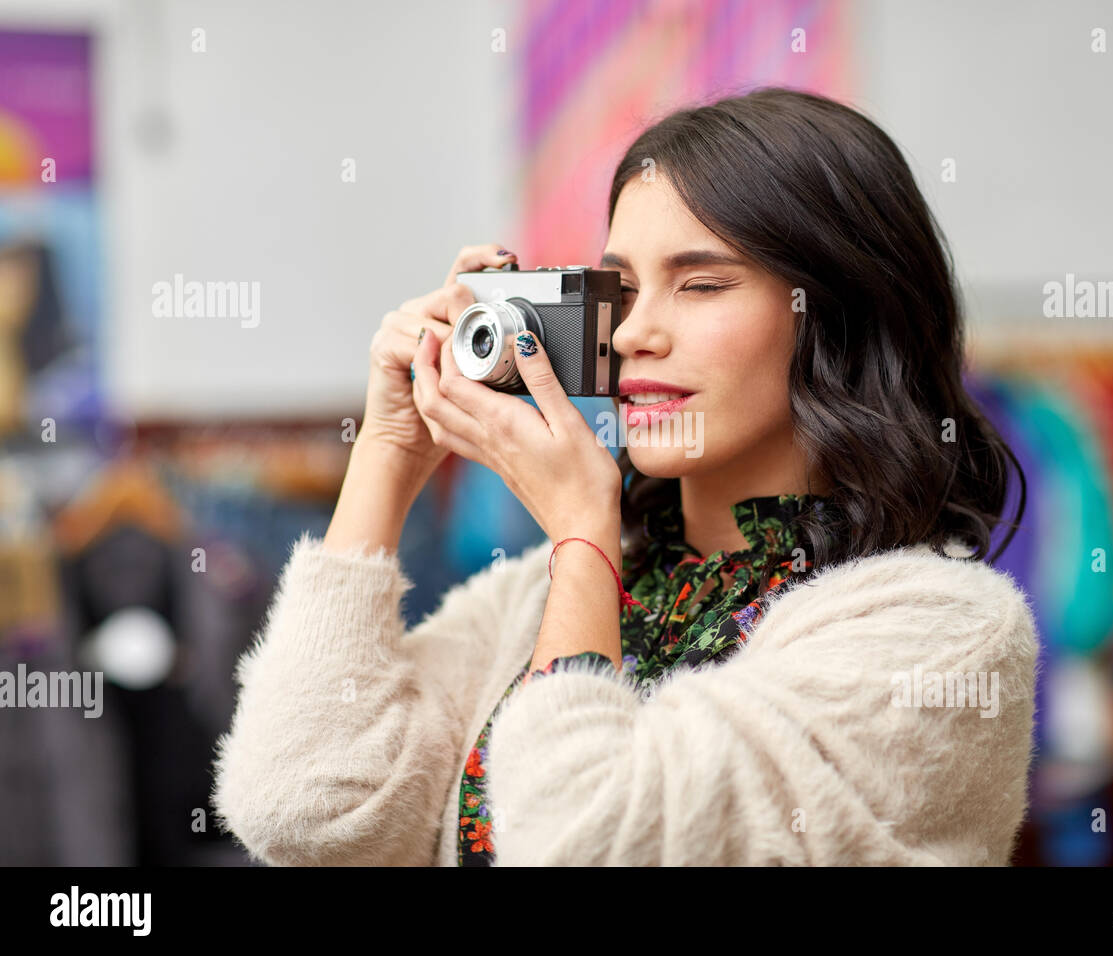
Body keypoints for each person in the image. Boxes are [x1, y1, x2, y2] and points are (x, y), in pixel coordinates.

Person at [211, 86, 1040, 866]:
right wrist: (390, 451)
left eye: (702, 283)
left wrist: (581, 532)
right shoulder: (538, 592)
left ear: (840, 315)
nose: (636, 333)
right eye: (624, 290)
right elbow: (300, 808)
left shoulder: (942, 631)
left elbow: (590, 842)